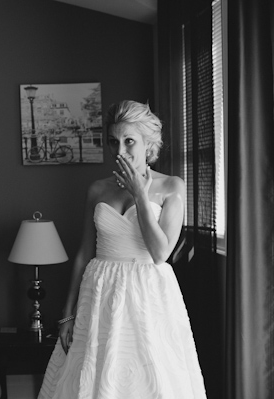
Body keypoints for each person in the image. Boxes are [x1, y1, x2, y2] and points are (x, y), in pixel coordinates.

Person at [37, 100, 207, 399]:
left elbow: (160, 254)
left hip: (148, 293)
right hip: (100, 289)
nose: (120, 151)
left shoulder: (172, 187)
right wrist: (66, 314)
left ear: (148, 143)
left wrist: (140, 193)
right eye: (113, 142)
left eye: (129, 141)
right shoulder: (97, 189)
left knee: (150, 380)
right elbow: (83, 252)